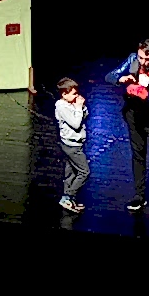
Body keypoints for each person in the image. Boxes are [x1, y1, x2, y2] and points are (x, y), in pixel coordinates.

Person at [105, 39, 149, 215]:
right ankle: (139, 195)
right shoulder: (132, 60)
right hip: (135, 116)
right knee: (138, 154)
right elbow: (110, 76)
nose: (143, 62)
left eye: (147, 59)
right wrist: (121, 79)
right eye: (140, 57)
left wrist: (145, 94)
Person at [54, 77, 90, 214]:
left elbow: (84, 117)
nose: (76, 96)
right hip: (71, 145)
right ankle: (68, 196)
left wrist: (82, 107)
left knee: (71, 172)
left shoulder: (71, 104)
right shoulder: (62, 107)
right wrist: (78, 108)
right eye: (74, 94)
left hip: (76, 144)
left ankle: (68, 199)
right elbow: (75, 123)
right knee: (84, 172)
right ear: (64, 94)